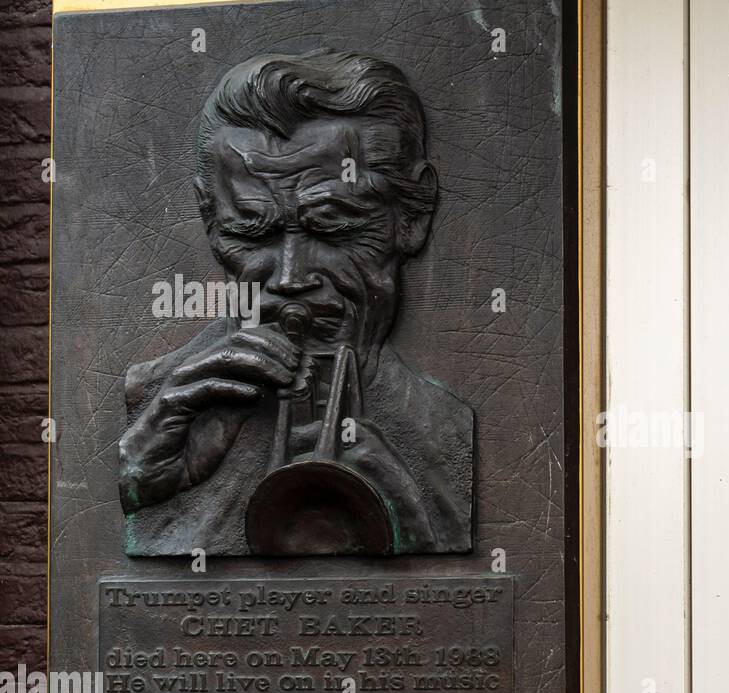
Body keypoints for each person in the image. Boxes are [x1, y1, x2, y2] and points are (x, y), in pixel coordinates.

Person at [118, 50, 472, 555]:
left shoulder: (450, 434)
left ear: (412, 217)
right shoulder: (150, 420)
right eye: (249, 232)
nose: (289, 279)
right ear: (209, 220)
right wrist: (137, 492)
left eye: (334, 227)